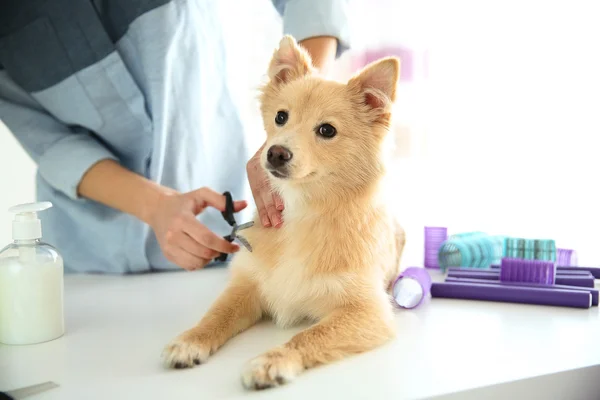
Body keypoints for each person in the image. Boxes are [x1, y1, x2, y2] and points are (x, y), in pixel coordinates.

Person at [0, 0, 351, 273]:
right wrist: (156, 207)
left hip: (227, 222)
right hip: (90, 255)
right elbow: (52, 143)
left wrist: (294, 122)